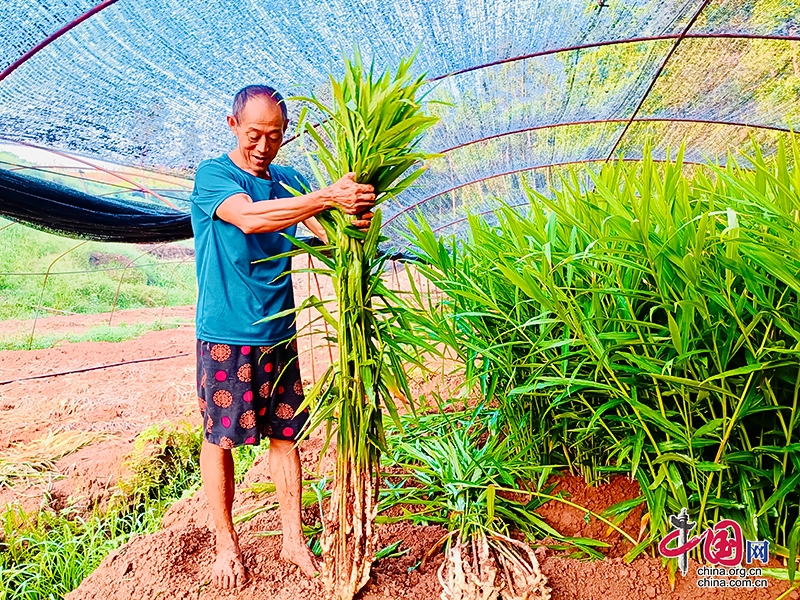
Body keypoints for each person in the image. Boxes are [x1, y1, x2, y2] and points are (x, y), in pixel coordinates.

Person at [190, 85, 375, 589]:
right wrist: (327, 196)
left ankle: (293, 540)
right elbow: (249, 218)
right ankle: (227, 543)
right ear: (232, 126)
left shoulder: (290, 181)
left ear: (284, 136)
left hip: (279, 334)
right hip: (226, 335)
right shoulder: (214, 176)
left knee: (286, 434)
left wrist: (355, 220)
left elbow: (329, 238)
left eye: (274, 136)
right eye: (254, 134)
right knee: (220, 438)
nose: (263, 146)